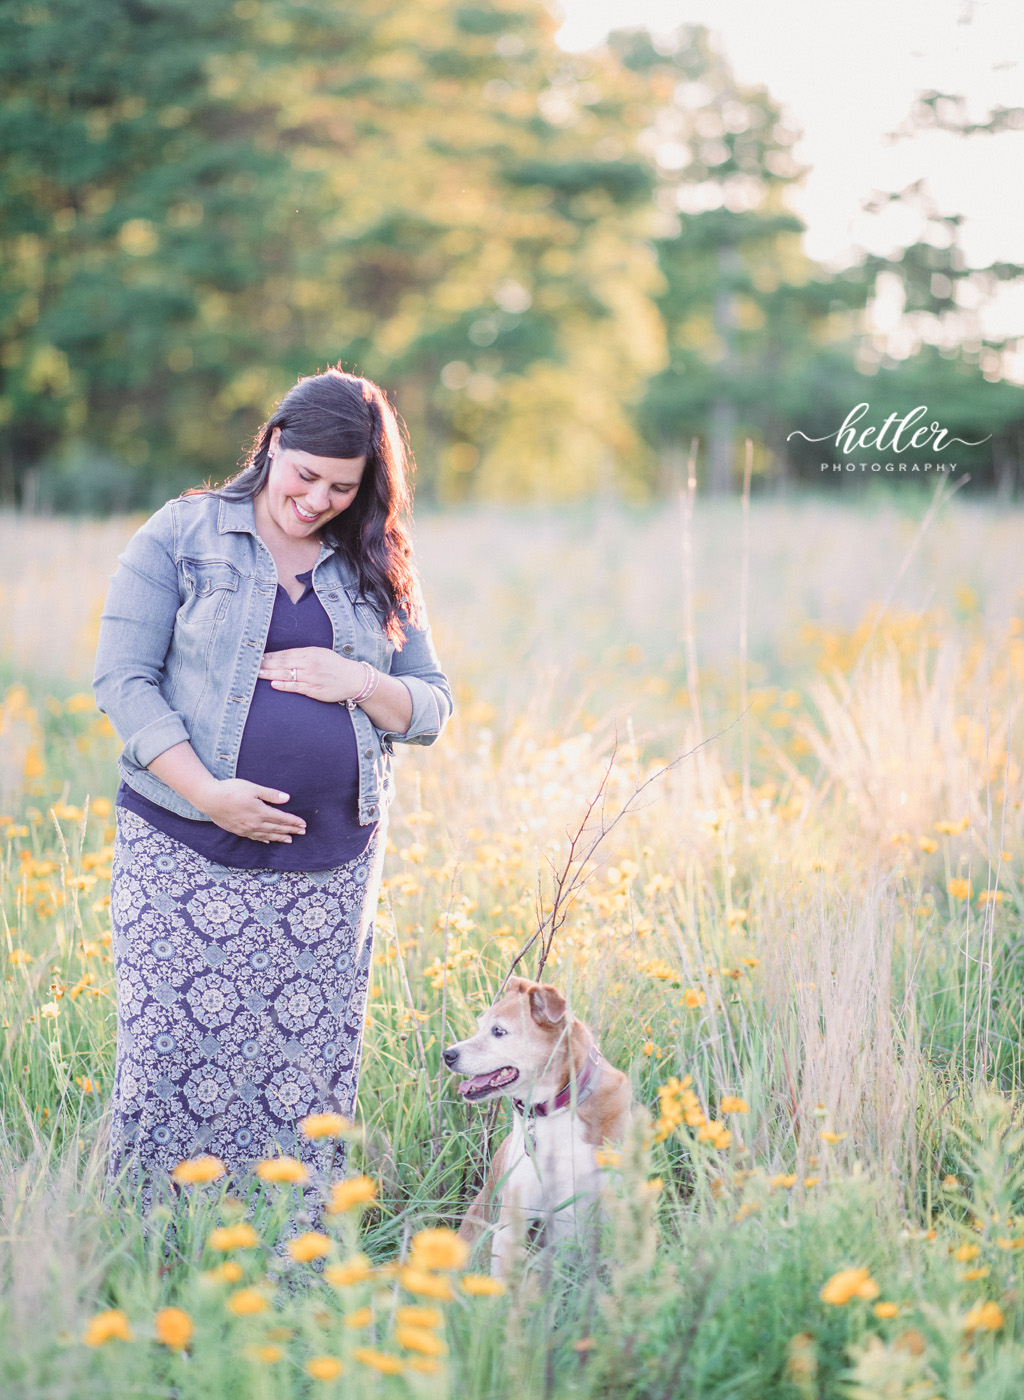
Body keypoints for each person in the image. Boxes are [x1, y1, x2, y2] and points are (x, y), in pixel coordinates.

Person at [93, 367, 452, 1211]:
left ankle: (289, 1265)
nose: (318, 499)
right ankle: (160, 1254)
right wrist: (211, 792)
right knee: (171, 1055)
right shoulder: (182, 535)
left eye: (343, 486)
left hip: (329, 870)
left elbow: (432, 706)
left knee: (302, 1075)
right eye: (305, 476)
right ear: (274, 443)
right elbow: (123, 681)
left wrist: (356, 679)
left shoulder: (378, 561)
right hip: (184, 848)